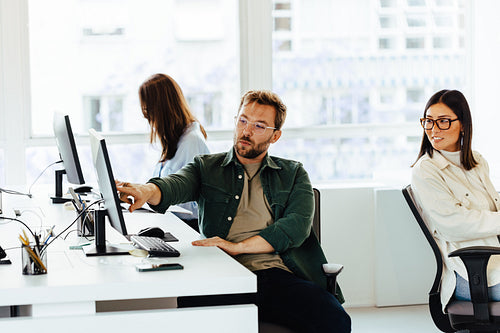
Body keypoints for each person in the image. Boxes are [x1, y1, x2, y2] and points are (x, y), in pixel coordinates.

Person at [117, 90, 351, 332]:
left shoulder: (292, 174)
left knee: (335, 319)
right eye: (242, 121)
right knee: (190, 313)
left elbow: (296, 227)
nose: (246, 131)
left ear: (275, 135)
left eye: (259, 126)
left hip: (276, 276)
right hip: (223, 273)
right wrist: (146, 190)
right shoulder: (207, 167)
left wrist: (238, 247)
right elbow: (175, 185)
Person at [411, 89, 500, 310]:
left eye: (443, 122)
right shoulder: (426, 170)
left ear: (463, 124)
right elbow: (455, 225)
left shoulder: (477, 161)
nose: (433, 130)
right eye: (429, 122)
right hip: (475, 274)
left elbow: (494, 205)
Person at [139, 73, 210, 228]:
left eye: (147, 110)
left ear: (161, 109)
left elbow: (192, 204)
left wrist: (153, 197)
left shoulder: (192, 141)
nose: (147, 117)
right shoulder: (174, 138)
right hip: (171, 222)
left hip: (188, 227)